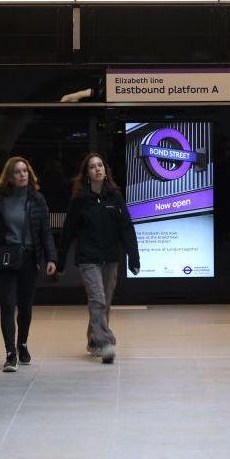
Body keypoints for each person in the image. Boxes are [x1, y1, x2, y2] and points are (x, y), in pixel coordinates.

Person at [57, 153, 140, 364]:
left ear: (105, 170)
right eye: (93, 167)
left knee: (105, 302)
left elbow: (126, 228)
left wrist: (134, 257)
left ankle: (94, 341)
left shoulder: (115, 196)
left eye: (100, 165)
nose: (97, 169)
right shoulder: (80, 200)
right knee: (97, 299)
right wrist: (60, 261)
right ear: (87, 174)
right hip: (88, 258)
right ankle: (105, 343)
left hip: (111, 257)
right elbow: (68, 231)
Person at [0, 157, 58, 372]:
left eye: (25, 171)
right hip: (5, 257)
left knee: (25, 307)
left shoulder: (37, 199)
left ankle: (23, 344)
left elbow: (45, 232)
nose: (22, 175)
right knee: (8, 305)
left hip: (29, 258)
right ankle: (10, 353)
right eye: (17, 172)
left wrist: (51, 258)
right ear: (9, 176)